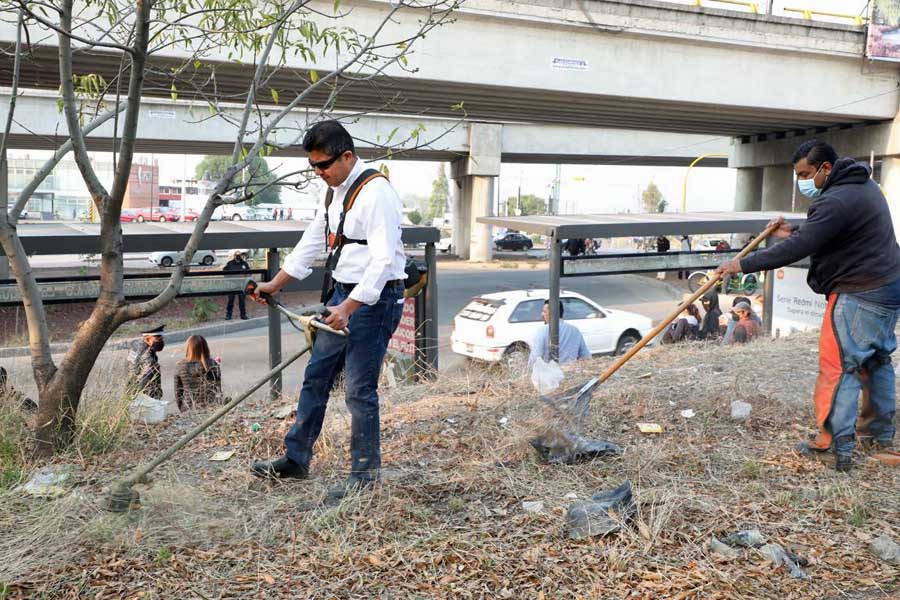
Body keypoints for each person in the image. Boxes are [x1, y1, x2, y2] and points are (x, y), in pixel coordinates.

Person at [717, 139, 900, 472]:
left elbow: (798, 248)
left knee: (838, 367)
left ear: (825, 169)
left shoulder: (836, 200)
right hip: (888, 288)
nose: (801, 181)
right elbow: (830, 233)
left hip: (858, 293)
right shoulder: (864, 185)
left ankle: (834, 446)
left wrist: (740, 265)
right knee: (875, 361)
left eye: (805, 174)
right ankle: (879, 436)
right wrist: (798, 233)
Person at [249, 120, 405, 500]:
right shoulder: (334, 193)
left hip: (376, 298)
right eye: (314, 167)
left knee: (358, 390)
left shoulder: (377, 193)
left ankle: (365, 477)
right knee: (315, 378)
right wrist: (274, 284)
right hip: (344, 296)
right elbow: (312, 243)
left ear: (347, 156)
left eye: (324, 166)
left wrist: (350, 307)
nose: (319, 173)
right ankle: (296, 458)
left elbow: (383, 261)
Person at [528, 300, 590, 366]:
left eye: (544, 311)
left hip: (550, 373)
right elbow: (586, 356)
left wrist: (529, 371)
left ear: (552, 313)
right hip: (571, 372)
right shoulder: (575, 330)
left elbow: (535, 357)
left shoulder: (543, 330)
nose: (542, 314)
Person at [174, 335, 222, 411]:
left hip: (189, 408)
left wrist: (182, 408)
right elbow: (218, 389)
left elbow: (178, 392)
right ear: (205, 347)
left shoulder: (180, 366)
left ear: (188, 348)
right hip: (211, 407)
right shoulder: (213, 364)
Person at [127, 324, 165, 400]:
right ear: (147, 340)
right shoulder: (148, 360)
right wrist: (154, 398)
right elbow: (145, 381)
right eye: (158, 339)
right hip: (144, 398)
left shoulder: (135, 345)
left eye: (162, 338)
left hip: (130, 390)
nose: (161, 342)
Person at [223, 250, 250, 320]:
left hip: (241, 285)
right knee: (231, 301)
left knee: (242, 301)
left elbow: (249, 273)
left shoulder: (244, 264)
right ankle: (228, 315)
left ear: (241, 256)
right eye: (237, 255)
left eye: (239, 255)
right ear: (234, 256)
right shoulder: (230, 264)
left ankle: (243, 315)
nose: (238, 257)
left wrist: (246, 280)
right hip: (232, 285)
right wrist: (228, 280)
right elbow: (224, 272)